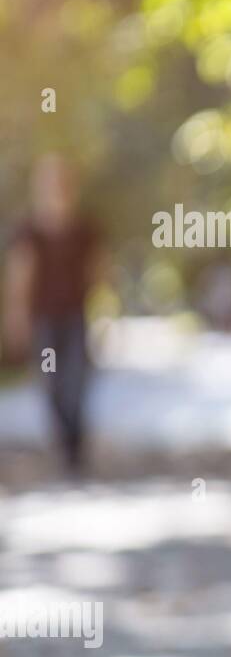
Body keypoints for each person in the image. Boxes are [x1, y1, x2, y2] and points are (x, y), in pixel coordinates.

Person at [3, 154, 103, 474]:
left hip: (76, 318)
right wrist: (16, 316)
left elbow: (99, 271)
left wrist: (103, 311)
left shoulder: (85, 227)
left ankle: (74, 444)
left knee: (76, 379)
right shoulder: (29, 229)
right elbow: (20, 275)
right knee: (51, 381)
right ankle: (62, 440)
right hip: (44, 321)